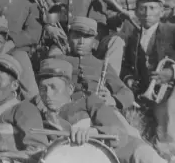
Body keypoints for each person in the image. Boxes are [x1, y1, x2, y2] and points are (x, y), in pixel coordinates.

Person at [36, 57, 168, 163]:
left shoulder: (88, 100)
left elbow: (118, 132)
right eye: (43, 88)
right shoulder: (38, 115)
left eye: (53, 87)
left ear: (70, 89)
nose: (48, 94)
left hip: (126, 153)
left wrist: (92, 132)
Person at [121, 0, 175, 160]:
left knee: (168, 112)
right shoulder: (132, 36)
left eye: (152, 8)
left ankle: (168, 152)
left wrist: (171, 72)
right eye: (142, 8)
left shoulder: (172, 31)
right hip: (142, 92)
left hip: (168, 92)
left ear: (162, 10)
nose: (147, 13)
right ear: (136, 11)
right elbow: (126, 66)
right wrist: (129, 79)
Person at [53, 16, 134, 111]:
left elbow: (126, 92)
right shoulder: (57, 61)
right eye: (76, 36)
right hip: (67, 110)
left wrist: (113, 100)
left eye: (87, 37)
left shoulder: (101, 65)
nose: (81, 42)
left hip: (97, 110)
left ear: (94, 40)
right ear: (69, 37)